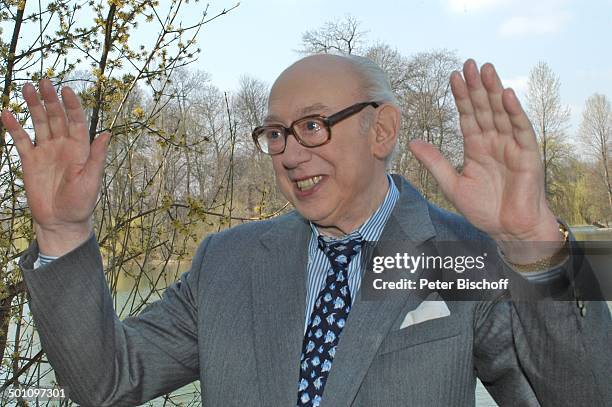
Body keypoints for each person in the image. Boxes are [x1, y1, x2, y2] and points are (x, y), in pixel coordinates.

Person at [2, 54, 610, 406]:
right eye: (275, 133)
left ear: (382, 131)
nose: (290, 154)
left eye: (313, 125)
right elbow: (105, 381)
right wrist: (63, 233)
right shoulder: (228, 262)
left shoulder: (455, 255)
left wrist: (533, 239)